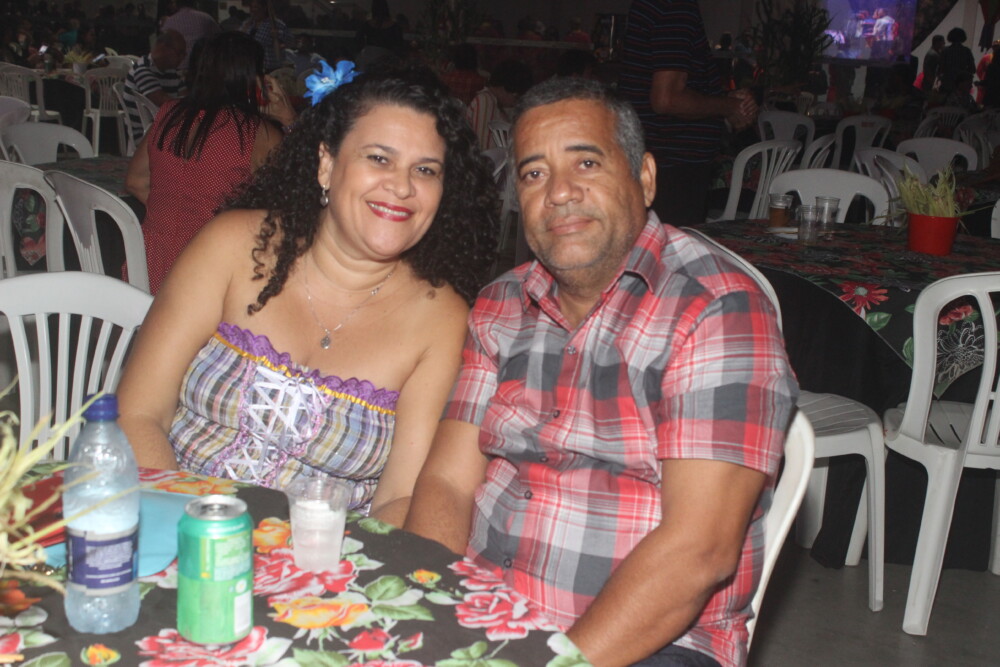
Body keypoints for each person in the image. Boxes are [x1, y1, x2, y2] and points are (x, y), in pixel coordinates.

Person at [405, 77, 797, 667]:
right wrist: (425, 614)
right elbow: (447, 483)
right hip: (486, 611)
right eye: (534, 173)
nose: (559, 192)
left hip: (649, 641)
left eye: (585, 162)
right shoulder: (500, 303)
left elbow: (698, 551)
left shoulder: (715, 306)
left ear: (645, 177)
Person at [117, 63, 499, 527]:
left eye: (425, 170)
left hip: (324, 559)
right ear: (327, 164)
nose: (402, 186)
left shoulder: (440, 319)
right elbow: (139, 413)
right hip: (170, 521)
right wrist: (190, 537)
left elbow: (400, 497)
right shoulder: (232, 246)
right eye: (379, 158)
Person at [125, 31, 295, 294]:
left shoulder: (170, 113)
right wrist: (289, 120)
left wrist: (179, 216)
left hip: (149, 266)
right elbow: (296, 196)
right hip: (209, 270)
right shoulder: (258, 134)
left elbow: (136, 181)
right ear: (249, 77)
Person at [618, 0, 757, 226]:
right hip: (672, 165)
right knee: (670, 247)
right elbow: (667, 99)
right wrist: (729, 106)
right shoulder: (675, 7)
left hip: (652, 158)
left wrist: (725, 101)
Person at [122, 29, 186, 143]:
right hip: (146, 136)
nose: (182, 58)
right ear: (163, 48)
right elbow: (164, 102)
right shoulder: (142, 70)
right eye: (179, 53)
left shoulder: (171, 71)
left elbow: (185, 97)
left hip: (164, 131)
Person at [466, 59, 532, 150]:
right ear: (504, 89)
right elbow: (483, 145)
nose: (515, 103)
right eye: (515, 97)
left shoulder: (494, 102)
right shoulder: (485, 101)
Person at [160, 0, 218, 71]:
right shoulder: (207, 18)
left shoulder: (170, 22)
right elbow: (218, 39)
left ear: (177, 5)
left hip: (178, 67)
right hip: (202, 67)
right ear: (195, 3)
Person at [241, 0, 295, 72]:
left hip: (270, 69)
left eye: (256, 7)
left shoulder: (276, 24)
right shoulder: (247, 24)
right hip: (251, 68)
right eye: (251, 7)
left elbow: (291, 42)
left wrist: (278, 36)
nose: (253, 10)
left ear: (264, 8)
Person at [938, 27, 975, 96]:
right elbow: (972, 69)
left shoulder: (945, 51)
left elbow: (941, 68)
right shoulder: (966, 51)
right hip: (961, 85)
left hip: (947, 83)